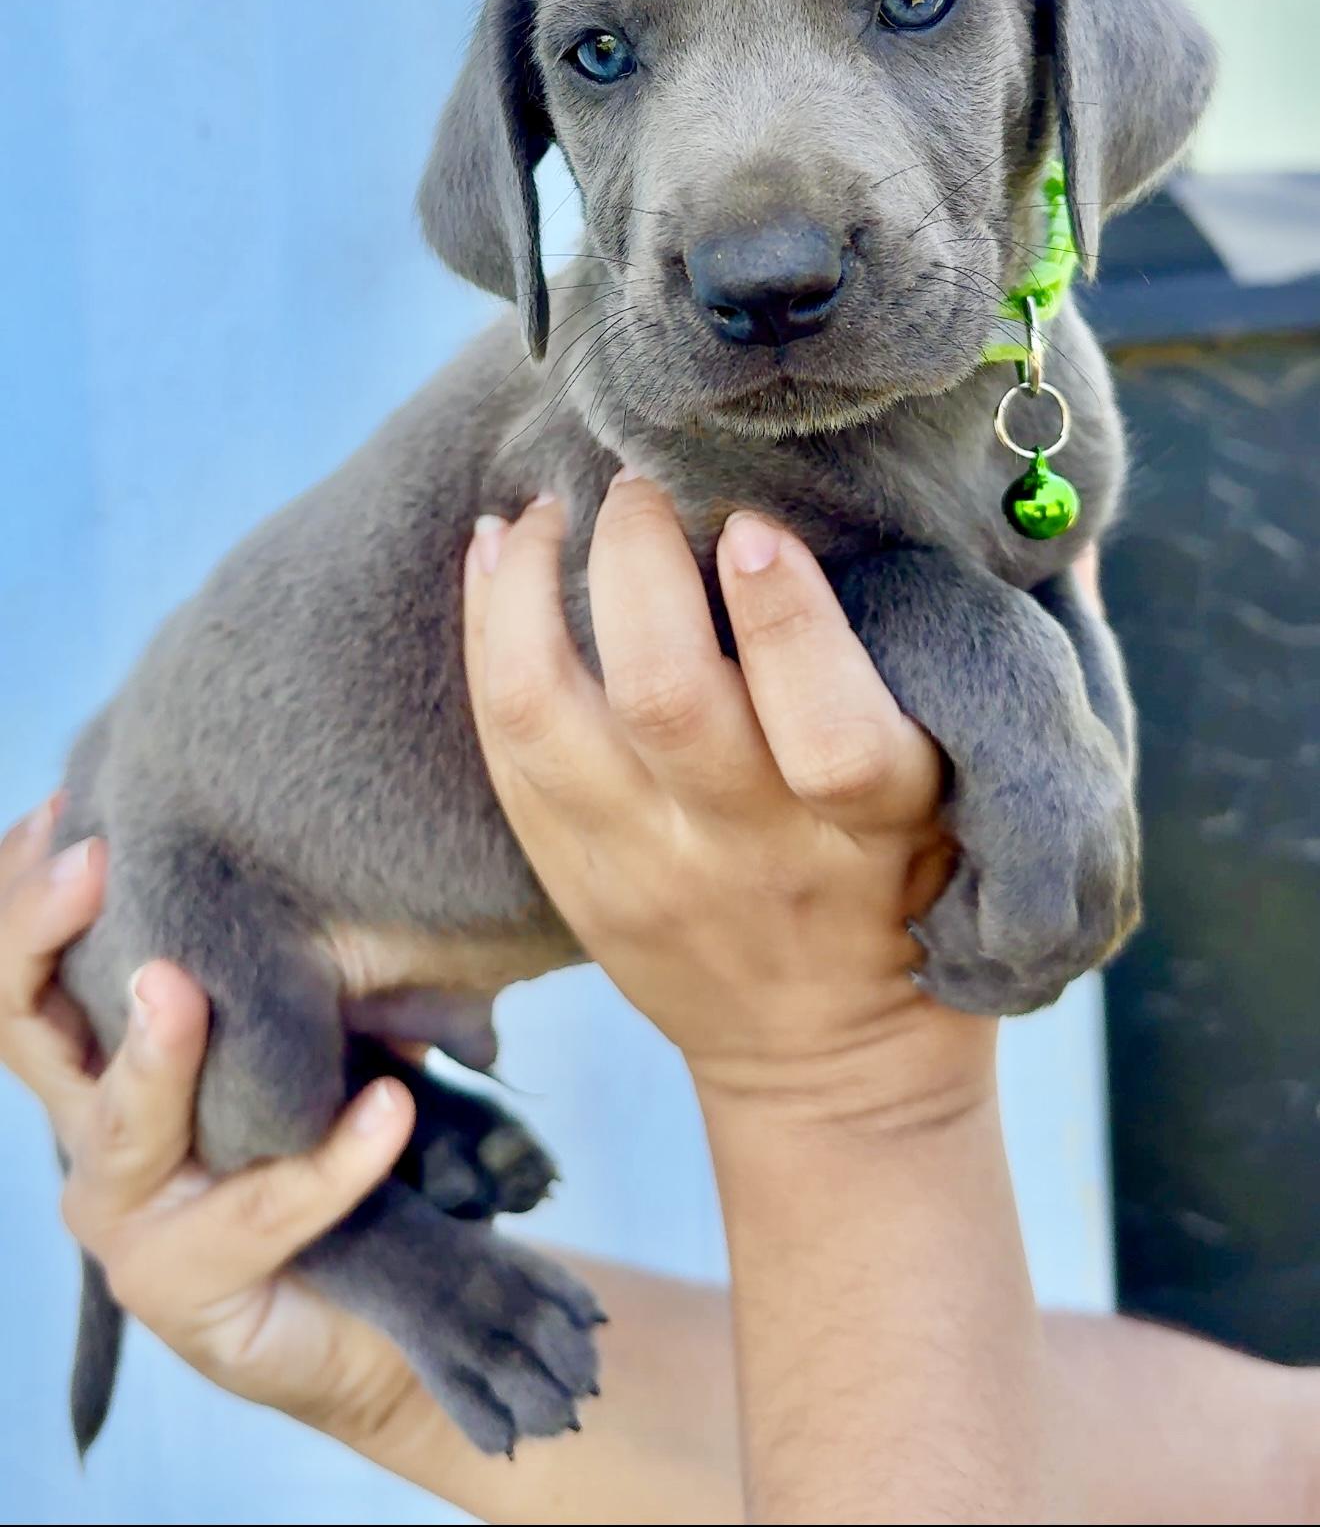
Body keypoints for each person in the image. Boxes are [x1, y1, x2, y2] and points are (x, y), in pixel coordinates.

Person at [1, 476, 1315, 1525]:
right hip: (216, 880)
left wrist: (844, 1084)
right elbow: (1238, 1472)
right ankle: (373, 1177)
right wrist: (371, 1344)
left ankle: (380, 1157)